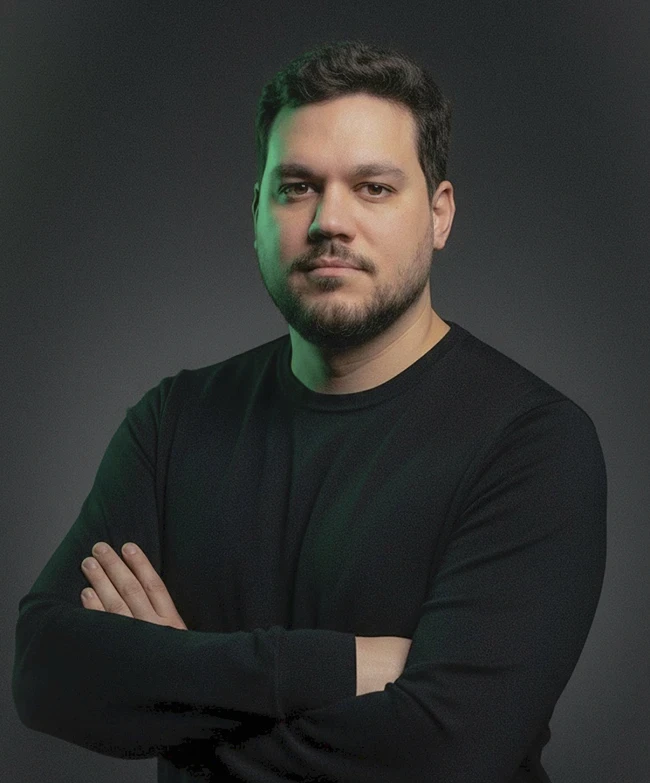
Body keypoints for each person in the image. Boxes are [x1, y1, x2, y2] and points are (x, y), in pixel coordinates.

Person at [12, 39, 607, 783]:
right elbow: (45, 671)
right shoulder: (174, 421)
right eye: (297, 186)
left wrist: (177, 683)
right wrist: (343, 665)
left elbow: (446, 755)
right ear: (257, 210)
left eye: (374, 188)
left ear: (440, 213)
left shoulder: (533, 444)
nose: (331, 219)